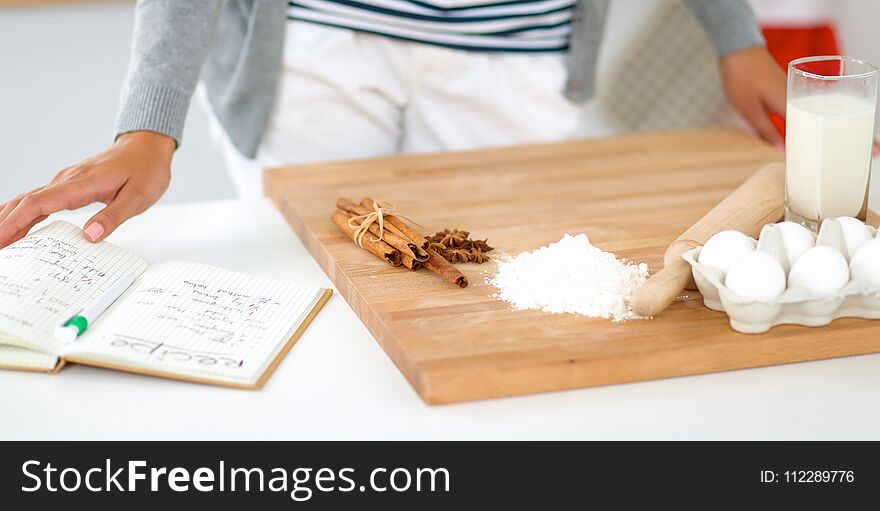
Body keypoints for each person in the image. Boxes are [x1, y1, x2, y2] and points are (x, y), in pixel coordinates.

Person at [0, 0, 789, 249]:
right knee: (309, 291)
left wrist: (734, 33)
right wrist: (149, 123)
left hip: (515, 56)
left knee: (493, 286)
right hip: (314, 49)